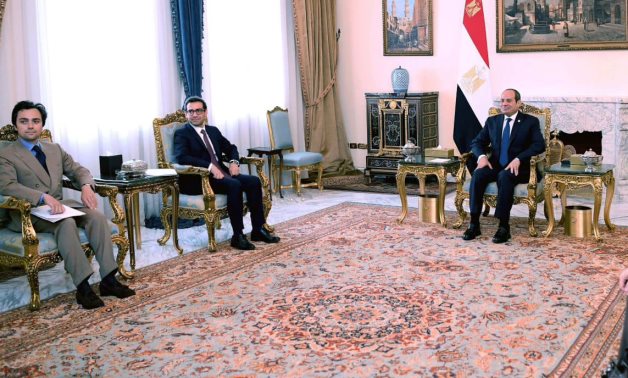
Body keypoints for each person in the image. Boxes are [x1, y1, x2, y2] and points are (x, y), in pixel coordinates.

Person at [0, 101, 135, 309]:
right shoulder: (6, 153)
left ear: (42, 125)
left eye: (35, 121)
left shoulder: (54, 149)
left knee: (97, 216)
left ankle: (108, 279)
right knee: (66, 224)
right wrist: (42, 198)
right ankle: (83, 288)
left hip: (60, 206)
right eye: (24, 121)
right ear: (16, 125)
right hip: (28, 211)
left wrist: (87, 187)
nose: (30, 126)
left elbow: (79, 171)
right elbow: (7, 186)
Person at [173, 96, 280, 251]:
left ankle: (258, 229)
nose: (194, 114)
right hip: (197, 179)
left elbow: (231, 148)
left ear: (205, 112)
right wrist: (209, 166)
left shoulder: (213, 131)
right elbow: (182, 157)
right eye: (191, 111)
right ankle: (238, 235)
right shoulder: (182, 133)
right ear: (186, 114)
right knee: (234, 185)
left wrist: (234, 162)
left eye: (198, 110)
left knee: (253, 181)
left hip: (222, 173)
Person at [462, 89, 545, 243]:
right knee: (478, 174)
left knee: (504, 176)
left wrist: (519, 158)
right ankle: (474, 223)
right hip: (496, 165)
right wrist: (481, 157)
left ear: (518, 103)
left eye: (509, 100)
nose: (504, 104)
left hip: (520, 168)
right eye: (502, 101)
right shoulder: (493, 121)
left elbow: (539, 145)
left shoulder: (530, 122)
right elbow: (477, 142)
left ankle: (503, 227)